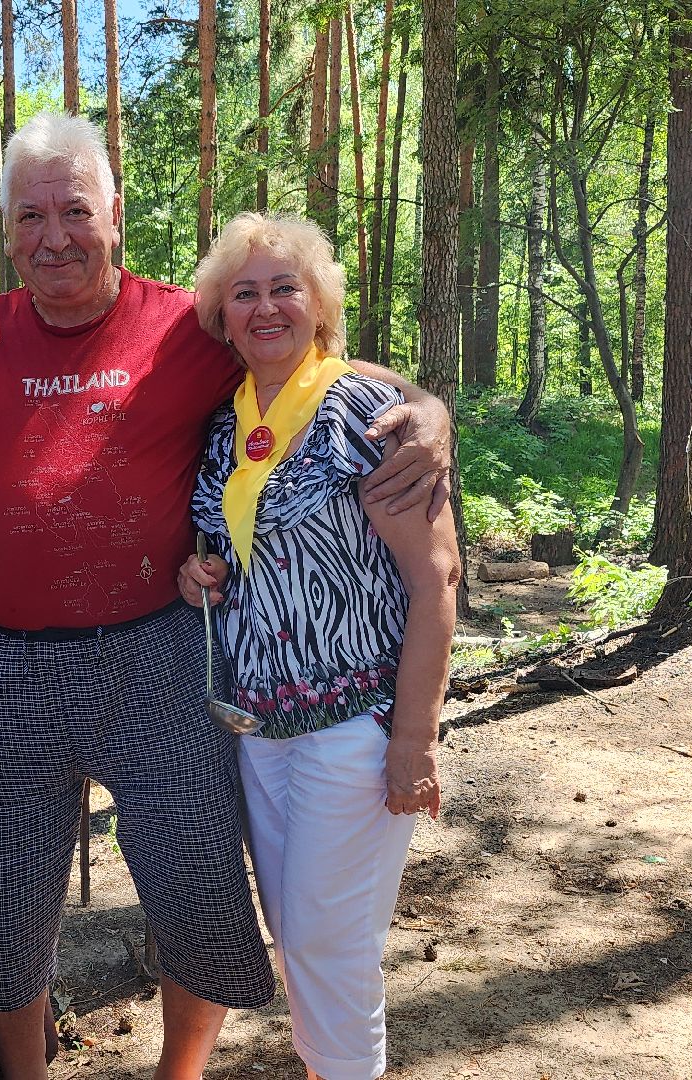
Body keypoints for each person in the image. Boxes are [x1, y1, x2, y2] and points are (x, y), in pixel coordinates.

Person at [0, 113, 456, 1080]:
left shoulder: (186, 328)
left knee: (198, 890)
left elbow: (304, 358)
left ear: (115, 212)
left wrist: (427, 407)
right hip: (9, 663)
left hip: (156, 658)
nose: (54, 235)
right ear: (8, 228)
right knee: (4, 907)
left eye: (75, 209)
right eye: (32, 216)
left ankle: (178, 1074)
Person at [178, 212, 457, 1080]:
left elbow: (436, 581)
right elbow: (240, 550)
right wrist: (205, 576)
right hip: (257, 731)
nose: (265, 307)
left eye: (284, 288)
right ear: (222, 316)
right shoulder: (224, 428)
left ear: (320, 306)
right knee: (299, 938)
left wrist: (414, 740)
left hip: (354, 726)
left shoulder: (371, 415)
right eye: (244, 292)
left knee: (329, 947)